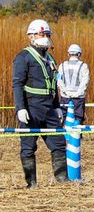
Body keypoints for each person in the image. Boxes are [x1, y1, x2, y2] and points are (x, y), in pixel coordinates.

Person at [12, 19, 68, 187]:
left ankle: (63, 181)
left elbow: (53, 85)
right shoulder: (23, 57)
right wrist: (21, 108)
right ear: (31, 36)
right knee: (28, 146)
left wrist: (57, 106)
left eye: (48, 34)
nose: (45, 37)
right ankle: (32, 184)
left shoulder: (50, 58)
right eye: (42, 34)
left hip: (50, 108)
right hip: (31, 107)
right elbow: (17, 84)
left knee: (58, 144)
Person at [57, 43, 90, 124]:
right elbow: (85, 81)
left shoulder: (62, 65)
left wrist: (65, 91)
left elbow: (59, 80)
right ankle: (77, 135)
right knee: (78, 117)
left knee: (64, 116)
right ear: (79, 54)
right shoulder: (83, 66)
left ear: (68, 54)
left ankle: (64, 135)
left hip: (65, 97)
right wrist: (78, 93)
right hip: (78, 98)